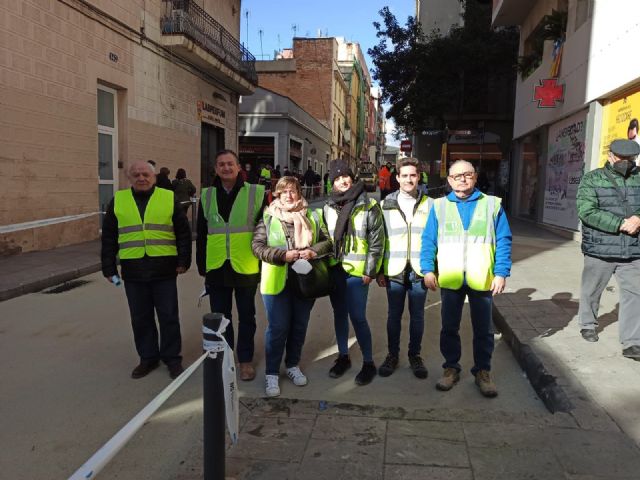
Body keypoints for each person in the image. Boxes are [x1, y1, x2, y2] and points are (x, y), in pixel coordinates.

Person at [420, 159, 512, 397]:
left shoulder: (492, 205)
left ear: (475, 177)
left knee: (483, 329)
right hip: (450, 279)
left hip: (482, 278)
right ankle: (451, 368)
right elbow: (428, 240)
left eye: (467, 174)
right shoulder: (439, 207)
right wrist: (427, 269)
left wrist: (501, 272)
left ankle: (483, 372)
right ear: (449, 180)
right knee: (449, 327)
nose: (462, 179)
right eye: (456, 176)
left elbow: (503, 240)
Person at [101, 160, 192, 379]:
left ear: (153, 177)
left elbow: (183, 233)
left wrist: (184, 260)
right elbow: (109, 237)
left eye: (145, 175)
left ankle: (172, 358)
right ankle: (148, 358)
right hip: (133, 271)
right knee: (140, 318)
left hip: (164, 269)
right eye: (136, 175)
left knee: (168, 316)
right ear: (130, 178)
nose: (141, 178)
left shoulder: (168, 197)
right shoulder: (118, 200)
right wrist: (108, 267)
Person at [252, 177, 332, 397]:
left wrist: (312, 251)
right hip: (276, 282)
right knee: (277, 328)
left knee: (299, 326)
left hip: (306, 282)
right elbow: (257, 247)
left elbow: (327, 241)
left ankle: (293, 365)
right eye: (283, 191)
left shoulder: (313, 216)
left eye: (293, 191)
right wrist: (282, 255)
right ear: (277, 194)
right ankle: (271, 374)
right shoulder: (268, 217)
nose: (288, 195)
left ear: (299, 192)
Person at [196, 149, 266, 381]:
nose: (226, 168)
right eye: (221, 164)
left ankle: (245, 359)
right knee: (220, 316)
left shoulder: (256, 193)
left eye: (230, 164)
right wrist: (201, 264)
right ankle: (225, 357)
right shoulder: (206, 196)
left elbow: (264, 230)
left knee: (247, 315)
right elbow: (202, 232)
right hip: (217, 266)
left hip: (245, 263)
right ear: (216, 169)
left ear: (238, 168)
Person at [576, 139, 640, 361]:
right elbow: (586, 211)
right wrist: (621, 223)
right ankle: (587, 324)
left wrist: (638, 219)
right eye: (621, 159)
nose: (625, 163)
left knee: (635, 295)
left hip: (633, 249)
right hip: (599, 249)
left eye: (630, 160)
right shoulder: (592, 179)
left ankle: (632, 342)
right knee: (591, 290)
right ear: (611, 156)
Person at [324, 159, 386, 385]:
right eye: (337, 178)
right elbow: (325, 239)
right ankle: (343, 356)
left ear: (352, 178)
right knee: (339, 315)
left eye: (345, 177)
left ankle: (368, 363)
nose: (342, 181)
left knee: (358, 317)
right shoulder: (328, 207)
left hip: (359, 273)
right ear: (332, 183)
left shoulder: (369, 206)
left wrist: (371, 270)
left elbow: (377, 242)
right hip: (336, 270)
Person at [377, 158, 433, 379]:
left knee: (417, 315)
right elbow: (379, 240)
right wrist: (379, 270)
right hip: (394, 270)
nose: (409, 179)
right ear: (397, 178)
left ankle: (415, 355)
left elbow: (436, 239)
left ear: (418, 177)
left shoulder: (431, 204)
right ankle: (392, 355)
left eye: (413, 175)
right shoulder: (385, 205)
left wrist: (433, 269)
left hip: (420, 270)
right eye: (405, 175)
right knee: (394, 315)